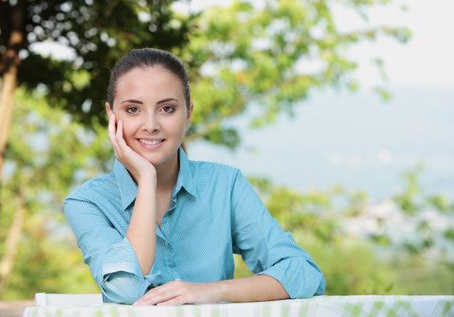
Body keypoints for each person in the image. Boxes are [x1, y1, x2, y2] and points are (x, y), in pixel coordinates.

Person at [64, 48, 325, 306]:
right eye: (133, 110)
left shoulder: (226, 185)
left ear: (188, 113)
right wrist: (146, 180)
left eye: (167, 108)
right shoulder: (86, 202)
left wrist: (212, 291)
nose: (151, 124)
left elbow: (304, 274)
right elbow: (125, 290)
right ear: (112, 116)